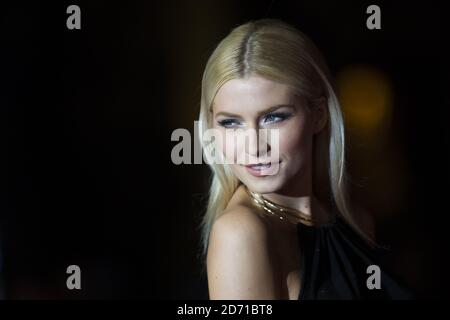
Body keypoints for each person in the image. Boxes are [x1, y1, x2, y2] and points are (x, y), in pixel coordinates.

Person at [197, 19, 413, 300]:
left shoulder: (355, 222)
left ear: (319, 115)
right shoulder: (240, 234)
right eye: (231, 123)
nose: (253, 145)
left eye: (273, 117)